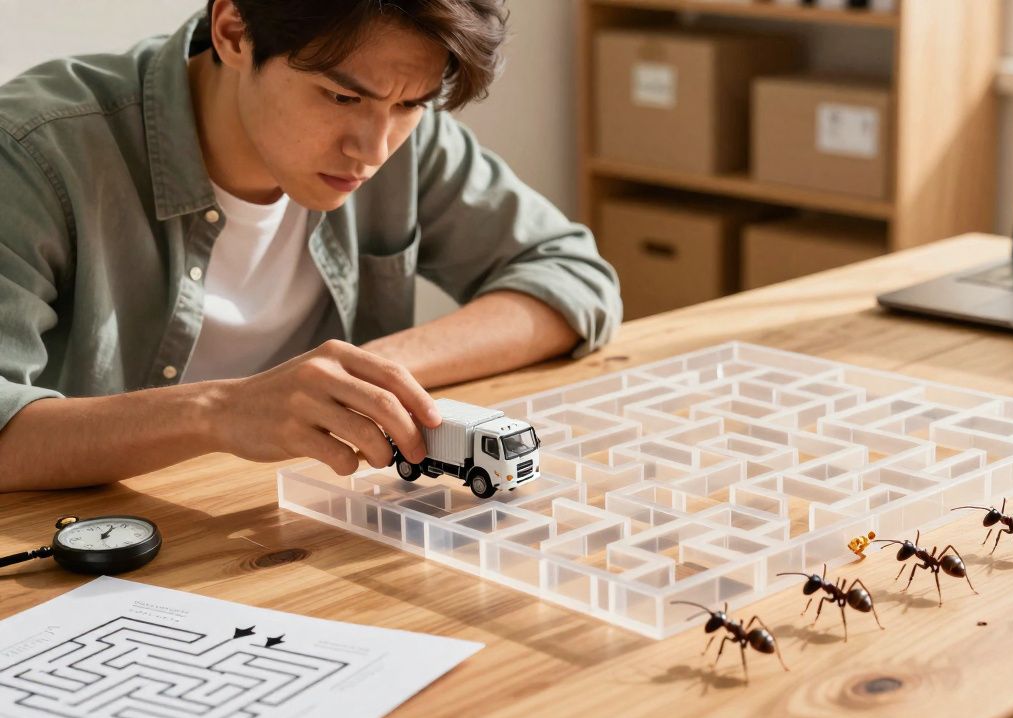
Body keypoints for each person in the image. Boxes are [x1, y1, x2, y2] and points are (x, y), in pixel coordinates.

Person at [0, 0, 621, 492]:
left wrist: (366, 377)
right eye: (342, 96)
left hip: (301, 522)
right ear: (234, 30)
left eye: (409, 105)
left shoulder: (409, 141)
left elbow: (572, 275)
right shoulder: (33, 152)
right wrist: (220, 411)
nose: (373, 150)